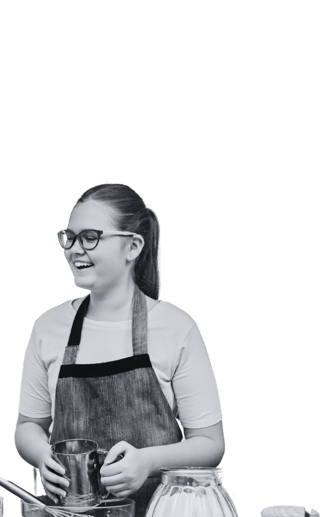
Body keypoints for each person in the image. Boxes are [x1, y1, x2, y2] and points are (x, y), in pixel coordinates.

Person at [14, 184, 225, 517]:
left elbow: (211, 444)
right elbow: (28, 425)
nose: (73, 250)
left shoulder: (176, 327)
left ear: (133, 246)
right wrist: (43, 455)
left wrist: (149, 461)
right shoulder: (48, 326)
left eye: (90, 237)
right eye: (69, 237)